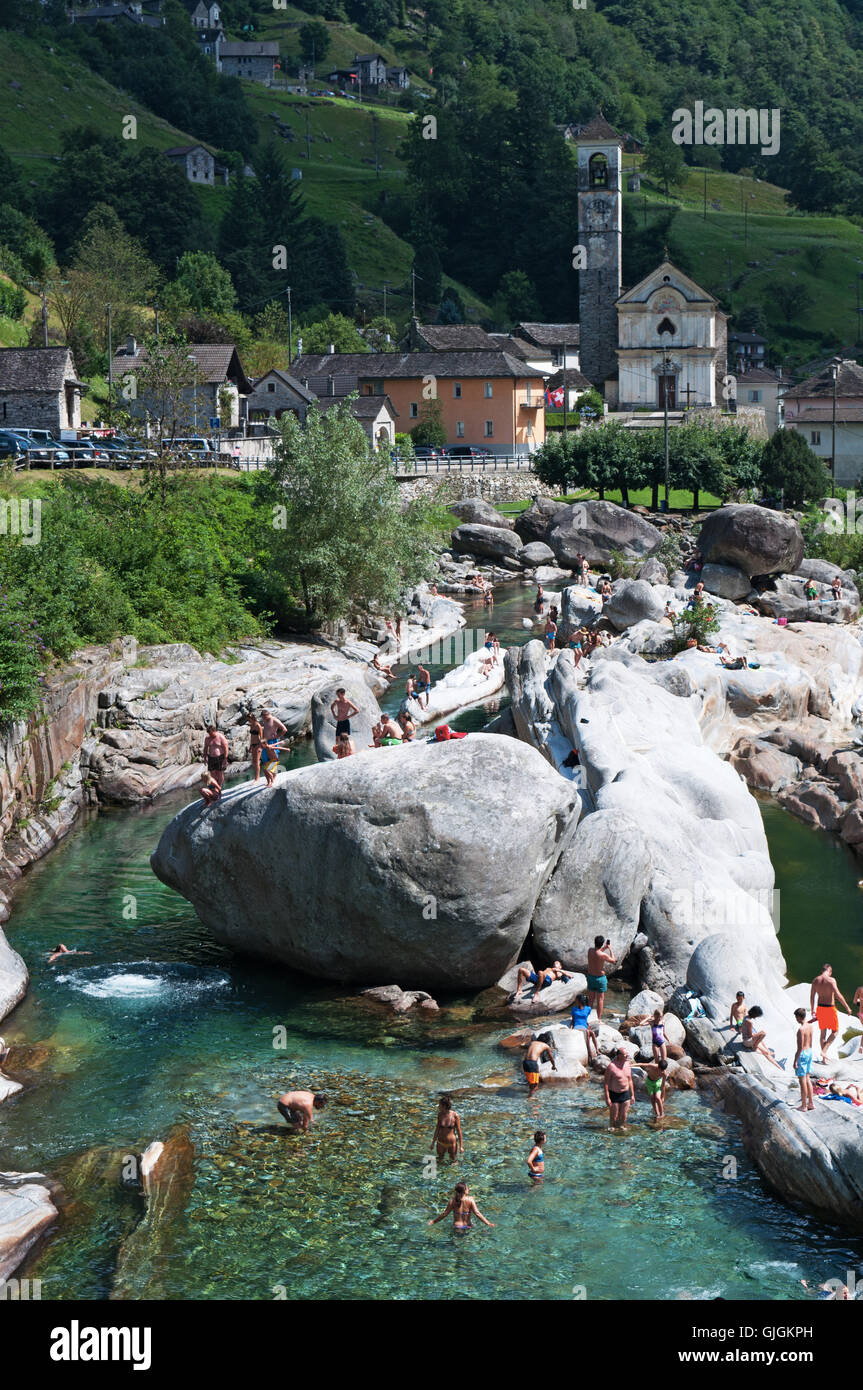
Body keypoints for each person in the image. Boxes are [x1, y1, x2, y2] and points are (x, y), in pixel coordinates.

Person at [810, 964, 852, 1063]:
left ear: (822, 970)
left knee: (823, 1034)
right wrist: (847, 1007)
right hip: (830, 1008)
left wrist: (812, 1009)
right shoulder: (831, 980)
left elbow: (812, 996)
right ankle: (824, 1051)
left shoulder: (815, 980)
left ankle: (824, 1059)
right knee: (835, 1031)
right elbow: (838, 995)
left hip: (820, 1008)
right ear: (830, 971)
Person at [428, 1181, 494, 1232]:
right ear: (465, 1191)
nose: (469, 1189)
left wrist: (434, 1221)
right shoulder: (470, 1199)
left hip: (457, 1226)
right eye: (468, 1188)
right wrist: (488, 1223)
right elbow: (477, 1213)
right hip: (468, 1226)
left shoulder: (452, 1200)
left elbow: (444, 1214)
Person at [792, 1007, 817, 1112]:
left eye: (796, 1017)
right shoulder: (810, 1026)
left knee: (802, 1081)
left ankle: (803, 1106)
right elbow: (810, 1042)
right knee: (807, 1078)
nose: (795, 1019)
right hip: (809, 1052)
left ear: (798, 1017)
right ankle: (811, 1103)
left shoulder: (801, 1030)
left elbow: (800, 1048)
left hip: (802, 1054)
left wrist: (795, 1060)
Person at [586, 936, 616, 1021]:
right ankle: (598, 1019)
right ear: (602, 943)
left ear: (595, 942)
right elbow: (613, 960)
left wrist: (604, 948)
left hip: (590, 977)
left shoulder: (590, 950)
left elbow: (597, 952)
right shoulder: (603, 955)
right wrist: (610, 949)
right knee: (600, 1000)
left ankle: (587, 1017)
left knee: (591, 999)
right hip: (600, 979)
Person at [604, 1048, 634, 1127]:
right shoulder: (611, 1067)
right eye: (625, 1054)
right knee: (614, 1116)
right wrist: (607, 1098)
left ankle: (621, 1126)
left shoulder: (627, 1064)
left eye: (627, 1053)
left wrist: (632, 1095)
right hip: (614, 1094)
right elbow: (606, 1083)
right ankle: (612, 1127)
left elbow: (630, 1080)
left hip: (625, 1093)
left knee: (624, 1115)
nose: (627, 1055)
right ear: (619, 1055)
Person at [432, 1094, 464, 1164]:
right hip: (440, 1142)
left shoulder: (455, 1116)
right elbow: (437, 1129)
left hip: (452, 1143)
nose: (438, 1107)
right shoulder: (440, 1115)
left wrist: (461, 1146)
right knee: (439, 1160)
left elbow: (459, 1131)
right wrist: (433, 1143)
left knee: (453, 1160)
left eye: (439, 1105)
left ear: (444, 1106)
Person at [202, 723, 229, 803]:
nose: (210, 735)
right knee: (212, 774)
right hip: (211, 758)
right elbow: (205, 748)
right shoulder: (207, 738)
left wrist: (225, 758)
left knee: (220, 773)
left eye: (211, 733)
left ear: (214, 731)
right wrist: (204, 757)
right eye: (209, 733)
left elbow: (226, 748)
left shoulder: (220, 737)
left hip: (220, 757)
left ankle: (219, 788)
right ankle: (214, 788)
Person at [569, 993, 598, 1061]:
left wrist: (587, 1025)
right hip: (577, 1027)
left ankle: (597, 1050)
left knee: (592, 1033)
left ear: (579, 1001)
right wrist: (570, 1028)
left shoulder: (588, 1009)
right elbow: (573, 1020)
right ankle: (590, 1053)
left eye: (576, 1000)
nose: (575, 1001)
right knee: (587, 1034)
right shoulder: (574, 1009)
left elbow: (585, 1019)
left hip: (584, 1027)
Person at [247, 711, 264, 782]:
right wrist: (250, 746)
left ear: (252, 718)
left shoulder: (258, 726)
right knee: (254, 762)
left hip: (258, 745)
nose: (248, 720)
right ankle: (256, 776)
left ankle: (257, 777)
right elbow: (251, 736)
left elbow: (262, 737)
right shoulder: (251, 725)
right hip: (253, 745)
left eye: (249, 719)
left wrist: (260, 747)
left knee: (257, 762)